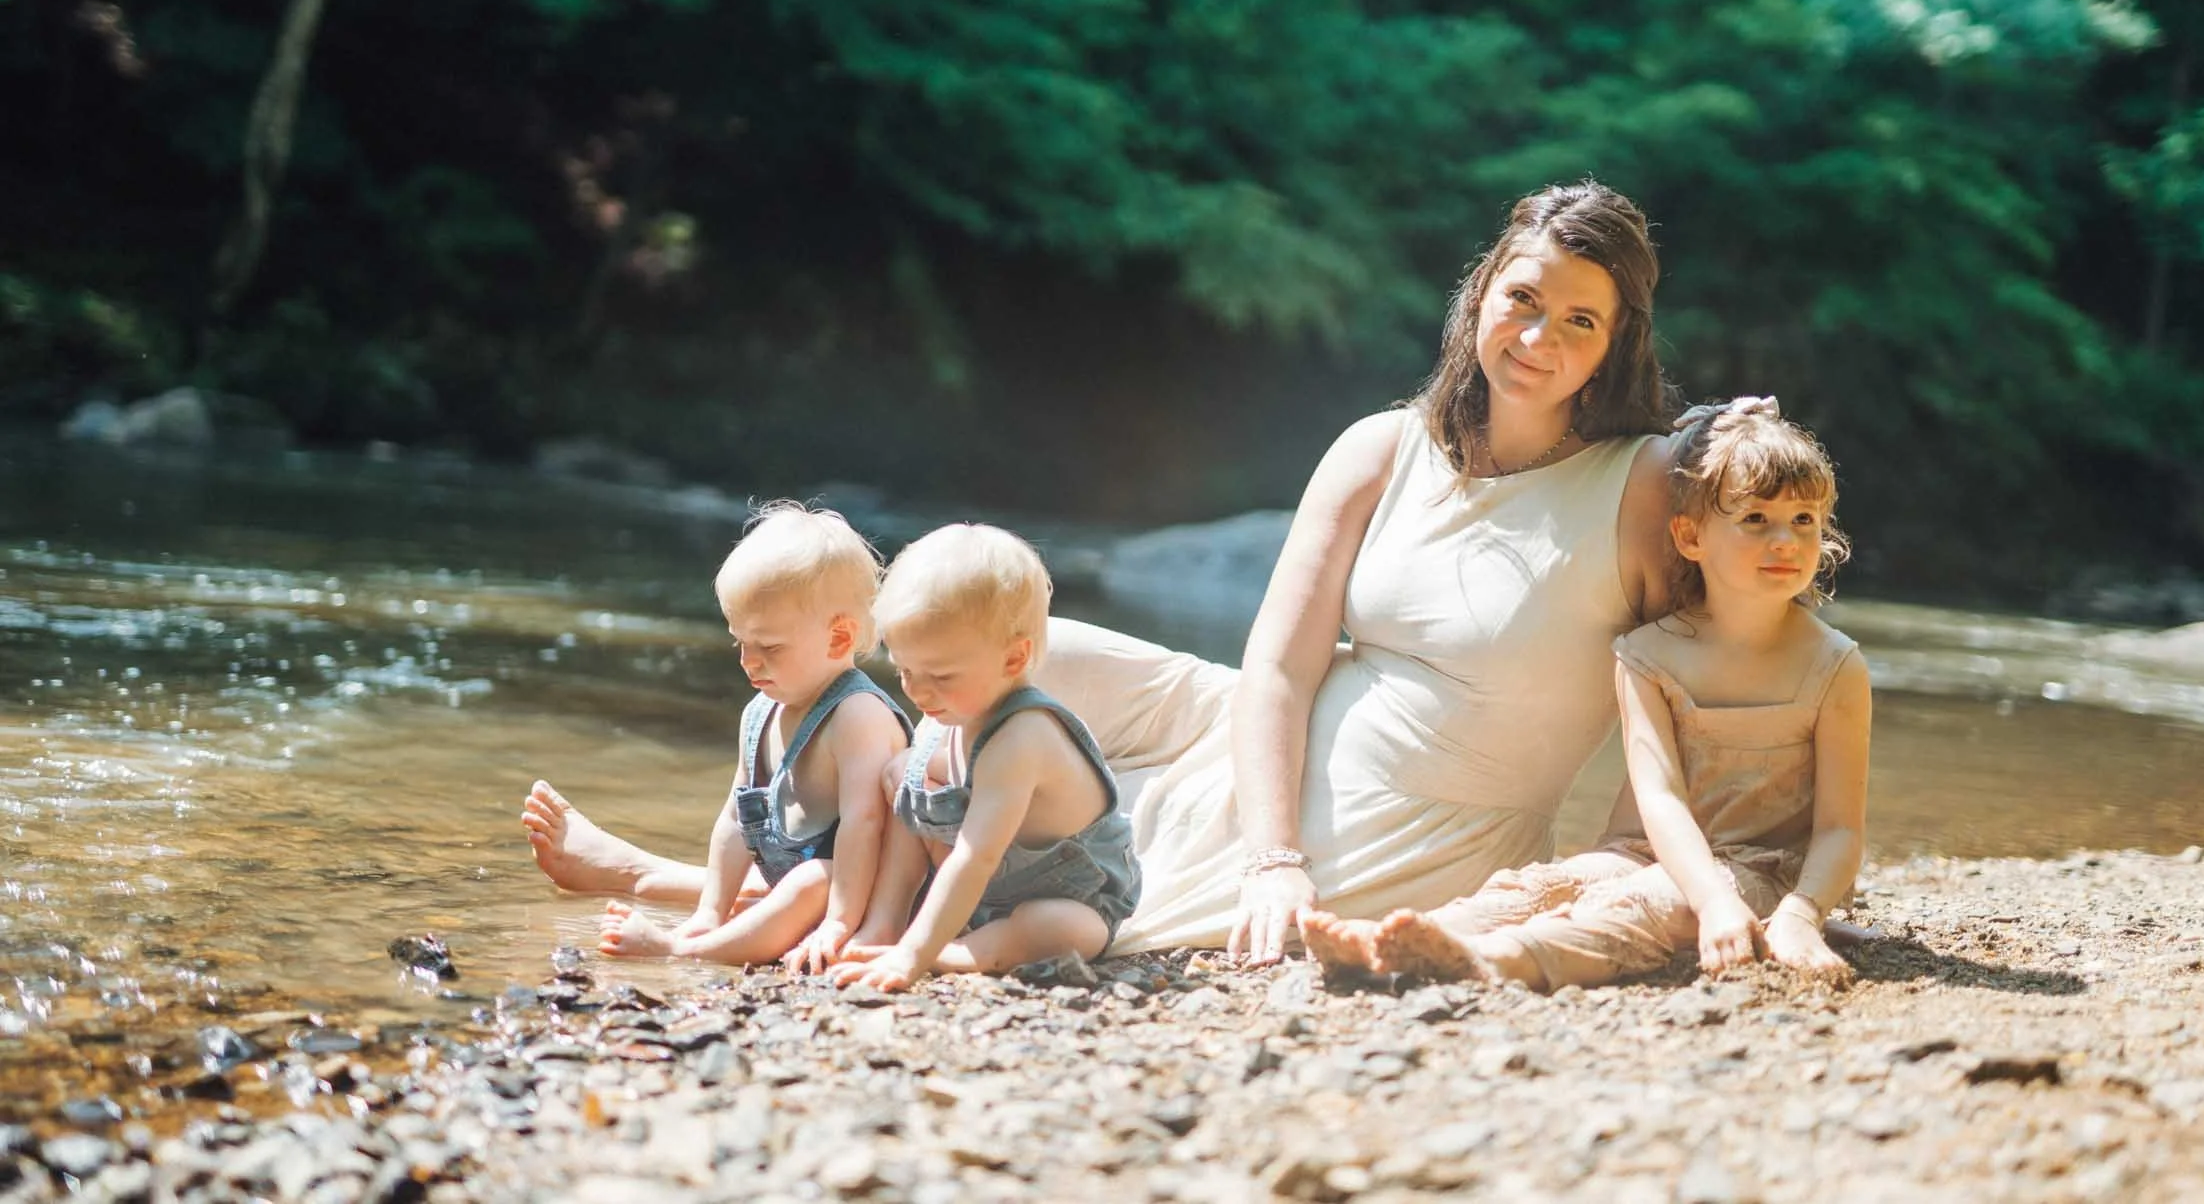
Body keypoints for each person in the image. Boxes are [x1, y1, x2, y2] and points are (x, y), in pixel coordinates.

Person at [528, 180, 1679, 965]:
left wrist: (1636, 848)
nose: (1539, 335)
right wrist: (1272, 844)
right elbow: (1277, 667)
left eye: (1581, 320)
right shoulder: (1381, 447)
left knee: (1039, 851)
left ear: (1616, 342)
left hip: (1412, 815)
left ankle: (683, 887)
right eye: (1522, 299)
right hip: (1253, 732)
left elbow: (1700, 663)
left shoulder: (1642, 489)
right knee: (972, 660)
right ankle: (779, 881)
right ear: (1482, 293)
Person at [1300, 397, 1870, 988]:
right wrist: (1709, 896)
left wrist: (1800, 914)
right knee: (1542, 885)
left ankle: (1498, 959)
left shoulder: (1833, 666)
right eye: (1755, 519)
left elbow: (1839, 830)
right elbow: (1662, 798)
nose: (1785, 541)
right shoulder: (1649, 653)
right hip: (1641, 850)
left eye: (1803, 520)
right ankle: (1405, 935)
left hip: (1763, 870)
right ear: (1690, 536)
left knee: (1641, 904)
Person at [591, 503, 913, 968]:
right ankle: (705, 927)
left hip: (858, 893)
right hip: (795, 883)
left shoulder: (857, 716)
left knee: (810, 882)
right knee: (785, 886)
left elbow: (865, 825)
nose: (748, 660)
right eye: (739, 641)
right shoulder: (760, 712)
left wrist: (841, 924)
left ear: (839, 639)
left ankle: (682, 950)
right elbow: (735, 821)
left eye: (769, 647)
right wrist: (710, 909)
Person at [830, 525, 1141, 990]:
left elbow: (976, 857)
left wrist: (913, 959)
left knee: (1059, 930)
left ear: (1014, 661)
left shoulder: (1022, 737)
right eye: (903, 669)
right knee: (904, 777)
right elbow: (926, 820)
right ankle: (887, 923)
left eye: (940, 674)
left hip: (1070, 896)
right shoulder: (953, 708)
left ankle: (947, 953)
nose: (916, 690)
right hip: (988, 888)